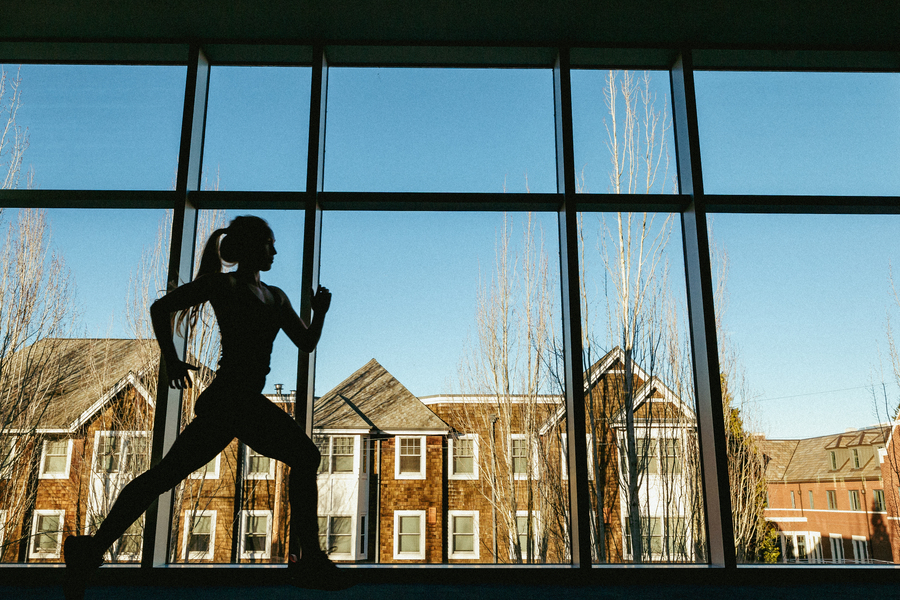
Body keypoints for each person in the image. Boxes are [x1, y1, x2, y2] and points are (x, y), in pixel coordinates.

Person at [64, 215, 343, 595]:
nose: (275, 251)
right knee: (301, 458)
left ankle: (89, 550)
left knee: (166, 476)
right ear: (247, 247)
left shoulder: (277, 297)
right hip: (232, 399)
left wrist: (320, 313)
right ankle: (309, 559)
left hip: (239, 401)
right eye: (268, 244)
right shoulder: (221, 284)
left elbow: (306, 343)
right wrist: (172, 360)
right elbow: (160, 308)